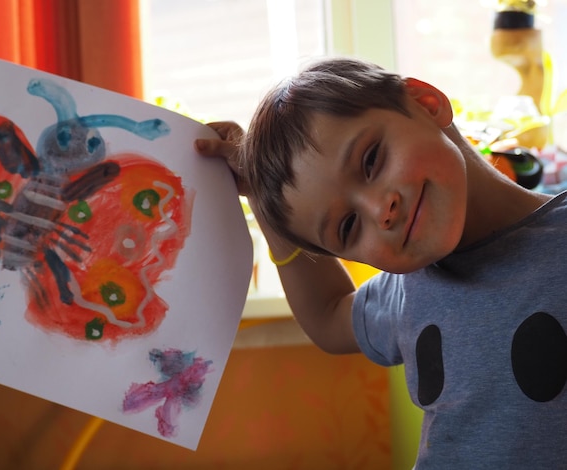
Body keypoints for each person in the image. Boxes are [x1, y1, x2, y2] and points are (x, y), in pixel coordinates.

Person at [194, 58, 567, 469]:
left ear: (426, 103)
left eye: (371, 160)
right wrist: (265, 205)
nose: (379, 209)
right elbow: (327, 315)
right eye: (349, 226)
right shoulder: (409, 292)